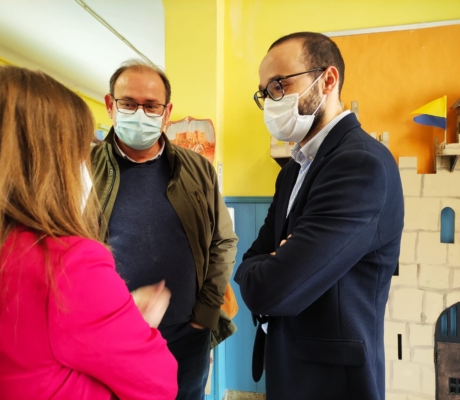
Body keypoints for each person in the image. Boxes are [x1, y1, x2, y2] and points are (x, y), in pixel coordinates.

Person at [0, 65, 178, 400]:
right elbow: (158, 385)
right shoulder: (65, 262)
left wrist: (111, 317)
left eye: (151, 106)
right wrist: (126, 322)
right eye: (78, 150)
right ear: (49, 161)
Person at [234, 32, 404, 400]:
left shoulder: (361, 163)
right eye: (265, 92)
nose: (270, 100)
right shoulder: (293, 170)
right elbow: (249, 263)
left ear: (328, 80)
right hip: (289, 368)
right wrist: (272, 259)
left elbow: (272, 290)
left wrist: (273, 263)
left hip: (333, 383)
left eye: (280, 85)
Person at [91, 59, 238, 400]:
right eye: (128, 103)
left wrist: (204, 315)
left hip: (187, 337)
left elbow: (224, 241)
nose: (140, 113)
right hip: (112, 339)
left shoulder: (197, 169)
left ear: (167, 112)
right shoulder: (83, 168)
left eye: (151, 105)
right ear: (111, 106)